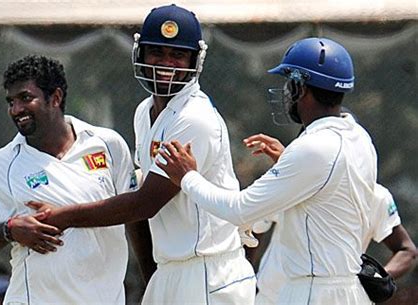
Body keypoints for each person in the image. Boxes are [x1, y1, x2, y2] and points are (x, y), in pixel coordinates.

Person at [155, 37, 418, 304]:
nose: (286, 92)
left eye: (288, 83)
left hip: (314, 293)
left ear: (300, 87)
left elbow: (240, 210)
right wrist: (289, 161)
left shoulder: (314, 148)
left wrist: (188, 177)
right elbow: (329, 187)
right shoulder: (358, 137)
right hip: (349, 290)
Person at [29, 4, 256, 305]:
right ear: (140, 53)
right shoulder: (144, 113)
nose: (166, 63)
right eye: (157, 52)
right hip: (171, 270)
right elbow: (140, 203)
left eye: (177, 55)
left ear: (194, 60)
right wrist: (155, 280)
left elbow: (146, 203)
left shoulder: (194, 118)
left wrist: (64, 217)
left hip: (209, 271)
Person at [0, 55, 136, 304]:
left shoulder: (107, 144)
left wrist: (151, 276)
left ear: (55, 98)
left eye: (25, 98)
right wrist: (9, 230)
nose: (16, 110)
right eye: (10, 101)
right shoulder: (0, 165)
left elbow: (133, 213)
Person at [242, 133, 416, 305]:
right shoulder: (296, 184)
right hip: (274, 296)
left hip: (339, 297)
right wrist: (245, 284)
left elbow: (407, 250)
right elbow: (254, 231)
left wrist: (375, 280)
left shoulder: (376, 196)